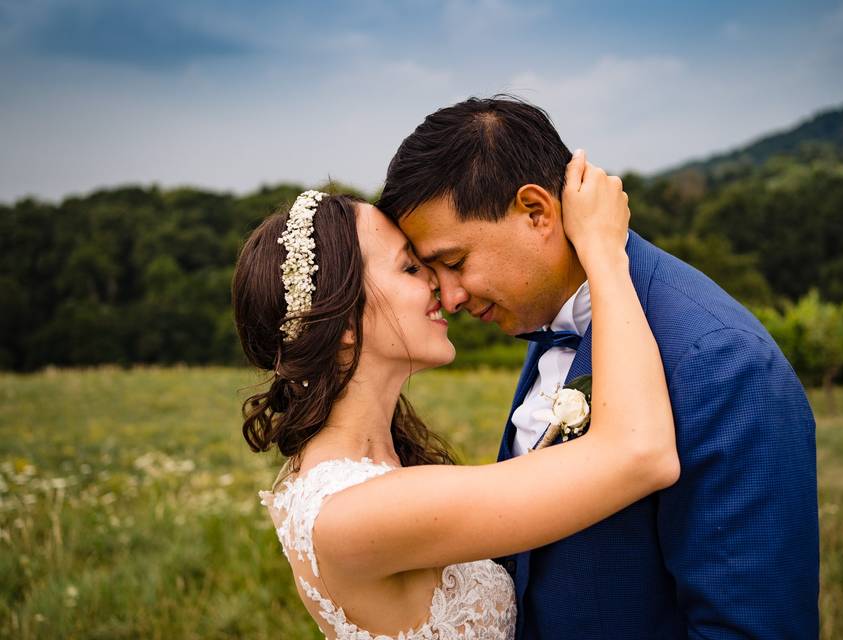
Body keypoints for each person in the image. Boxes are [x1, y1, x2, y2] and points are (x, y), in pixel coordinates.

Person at [377, 96, 820, 639]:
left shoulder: (721, 362)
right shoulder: (547, 316)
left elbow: (751, 625)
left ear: (536, 212)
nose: (448, 296)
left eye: (454, 262)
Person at [231, 152, 680, 639]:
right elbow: (641, 454)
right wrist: (604, 251)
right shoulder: (353, 512)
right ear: (342, 323)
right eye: (410, 269)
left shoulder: (359, 475)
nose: (442, 288)